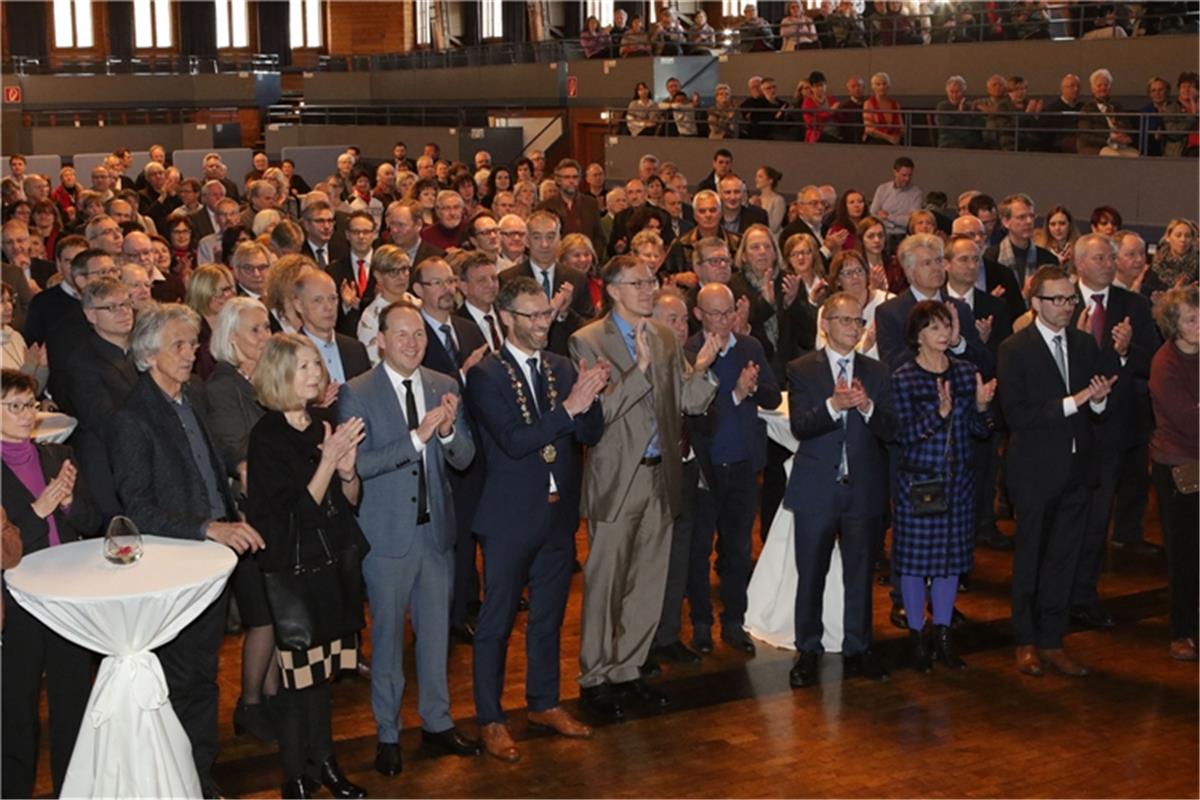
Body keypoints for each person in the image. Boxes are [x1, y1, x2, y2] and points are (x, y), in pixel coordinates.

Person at [108, 303, 266, 798]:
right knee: (187, 679)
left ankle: (197, 769)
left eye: (192, 342)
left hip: (211, 559)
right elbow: (139, 510)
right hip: (176, 566)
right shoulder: (133, 417)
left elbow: (208, 467)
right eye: (178, 344)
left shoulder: (189, 396)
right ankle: (186, 779)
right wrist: (208, 527)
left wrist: (232, 500)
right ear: (148, 354)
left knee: (203, 675)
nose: (190, 351)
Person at [569, 255, 719, 718]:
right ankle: (594, 677)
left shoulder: (666, 336)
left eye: (652, 280)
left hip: (661, 472)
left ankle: (628, 670)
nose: (648, 289)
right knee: (605, 584)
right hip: (618, 478)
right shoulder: (587, 341)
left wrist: (705, 368)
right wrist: (640, 368)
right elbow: (602, 412)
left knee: (648, 581)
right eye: (638, 282)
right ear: (612, 290)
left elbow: (688, 403)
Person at [337, 301, 481, 776]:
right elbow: (359, 466)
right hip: (385, 538)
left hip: (436, 533)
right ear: (379, 340)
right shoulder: (357, 393)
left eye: (418, 333)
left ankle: (438, 724)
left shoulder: (444, 384)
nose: (412, 342)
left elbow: (463, 458)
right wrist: (418, 439)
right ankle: (387, 733)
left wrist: (443, 436)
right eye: (401, 334)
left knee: (437, 638)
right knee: (388, 642)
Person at [465, 277, 606, 761]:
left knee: (548, 618)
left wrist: (590, 397)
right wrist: (571, 407)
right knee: (497, 621)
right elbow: (515, 440)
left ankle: (544, 703)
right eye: (532, 316)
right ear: (506, 317)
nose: (544, 324)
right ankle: (490, 717)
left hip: (557, 512)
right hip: (508, 515)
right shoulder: (486, 375)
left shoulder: (563, 366)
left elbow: (590, 430)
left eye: (547, 314)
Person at [246, 334, 368, 799]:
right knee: (297, 684)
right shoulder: (267, 436)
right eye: (303, 367)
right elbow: (291, 518)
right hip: (294, 573)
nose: (315, 373)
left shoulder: (322, 421)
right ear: (279, 375)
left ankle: (326, 766)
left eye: (316, 363)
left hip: (333, 565)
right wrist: (327, 462)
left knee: (323, 680)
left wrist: (347, 471)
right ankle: (295, 776)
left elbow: (347, 502)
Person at [998, 266, 1116, 678]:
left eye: (1071, 299)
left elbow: (1098, 408)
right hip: (1034, 470)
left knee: (1066, 559)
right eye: (1058, 299)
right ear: (1035, 303)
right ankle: (1025, 640)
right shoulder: (1015, 348)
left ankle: (1053, 638)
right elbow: (1016, 415)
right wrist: (1075, 401)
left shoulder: (1084, 344)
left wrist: (1097, 402)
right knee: (1030, 557)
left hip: (1077, 468)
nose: (1067, 307)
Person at [787, 291, 897, 688]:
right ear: (826, 323)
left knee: (860, 573)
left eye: (859, 322)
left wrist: (867, 409)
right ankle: (808, 650)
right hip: (817, 488)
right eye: (846, 320)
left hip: (863, 489)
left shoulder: (878, 372)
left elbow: (891, 430)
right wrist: (834, 405)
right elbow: (800, 426)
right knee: (811, 574)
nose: (854, 328)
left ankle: (857, 648)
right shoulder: (803, 369)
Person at [1, 368, 100, 799]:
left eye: (31, 405)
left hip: (64, 595)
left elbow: (92, 521)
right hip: (17, 602)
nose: (28, 414)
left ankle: (72, 790)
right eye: (15, 407)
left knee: (73, 703)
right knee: (16, 713)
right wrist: (37, 511)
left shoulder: (55, 456)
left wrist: (73, 502)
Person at [891, 301, 996, 672]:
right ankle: (918, 638)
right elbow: (901, 435)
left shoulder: (966, 373)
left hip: (959, 482)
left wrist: (982, 409)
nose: (944, 333)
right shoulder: (904, 378)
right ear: (918, 335)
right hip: (919, 482)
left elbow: (981, 432)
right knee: (916, 564)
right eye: (935, 327)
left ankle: (944, 633)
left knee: (951, 561)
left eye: (947, 326)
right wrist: (937, 416)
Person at [1068, 234, 1161, 626]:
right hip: (1065, 429)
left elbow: (1154, 359)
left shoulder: (1132, 305)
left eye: (1111, 257)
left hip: (1112, 431)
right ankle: (1052, 594)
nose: (1109, 264)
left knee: (1096, 519)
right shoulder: (1060, 298)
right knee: (1062, 517)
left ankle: (1084, 596)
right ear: (1080, 263)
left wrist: (1125, 351)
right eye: (1100, 257)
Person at [688, 282, 781, 656]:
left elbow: (774, 397)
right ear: (699, 315)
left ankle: (734, 621)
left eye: (728, 313)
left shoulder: (750, 347)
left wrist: (754, 389)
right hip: (704, 470)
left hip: (743, 464)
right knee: (698, 551)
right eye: (714, 313)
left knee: (739, 549)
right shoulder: (690, 352)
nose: (723, 321)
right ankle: (699, 625)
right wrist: (736, 395)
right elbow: (692, 416)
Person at [203, 296, 279, 743]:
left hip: (275, 508)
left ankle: (270, 695)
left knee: (275, 612)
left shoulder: (266, 378)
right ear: (231, 337)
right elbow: (237, 449)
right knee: (262, 616)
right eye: (256, 330)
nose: (266, 336)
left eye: (267, 327)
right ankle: (250, 703)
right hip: (245, 515)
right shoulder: (222, 385)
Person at [1148, 286, 1199, 661]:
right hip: (1180, 468)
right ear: (1173, 325)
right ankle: (1181, 631)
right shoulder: (1165, 362)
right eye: (1192, 320)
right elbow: (1188, 417)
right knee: (1185, 556)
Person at [186, 263, 236, 381]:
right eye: (215, 291)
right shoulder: (191, 331)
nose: (223, 296)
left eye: (226, 289)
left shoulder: (238, 324)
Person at [0, 282, 46, 393]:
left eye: (10, 301)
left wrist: (43, 367)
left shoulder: (16, 336)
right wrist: (30, 365)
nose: (9, 307)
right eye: (1, 302)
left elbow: (34, 391)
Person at [862, 72, 903, 145]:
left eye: (884, 84)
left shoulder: (895, 104)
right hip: (876, 141)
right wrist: (888, 137)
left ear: (889, 86)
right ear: (873, 87)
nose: (882, 87)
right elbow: (869, 129)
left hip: (894, 140)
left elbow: (901, 127)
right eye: (878, 84)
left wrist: (897, 137)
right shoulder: (868, 104)